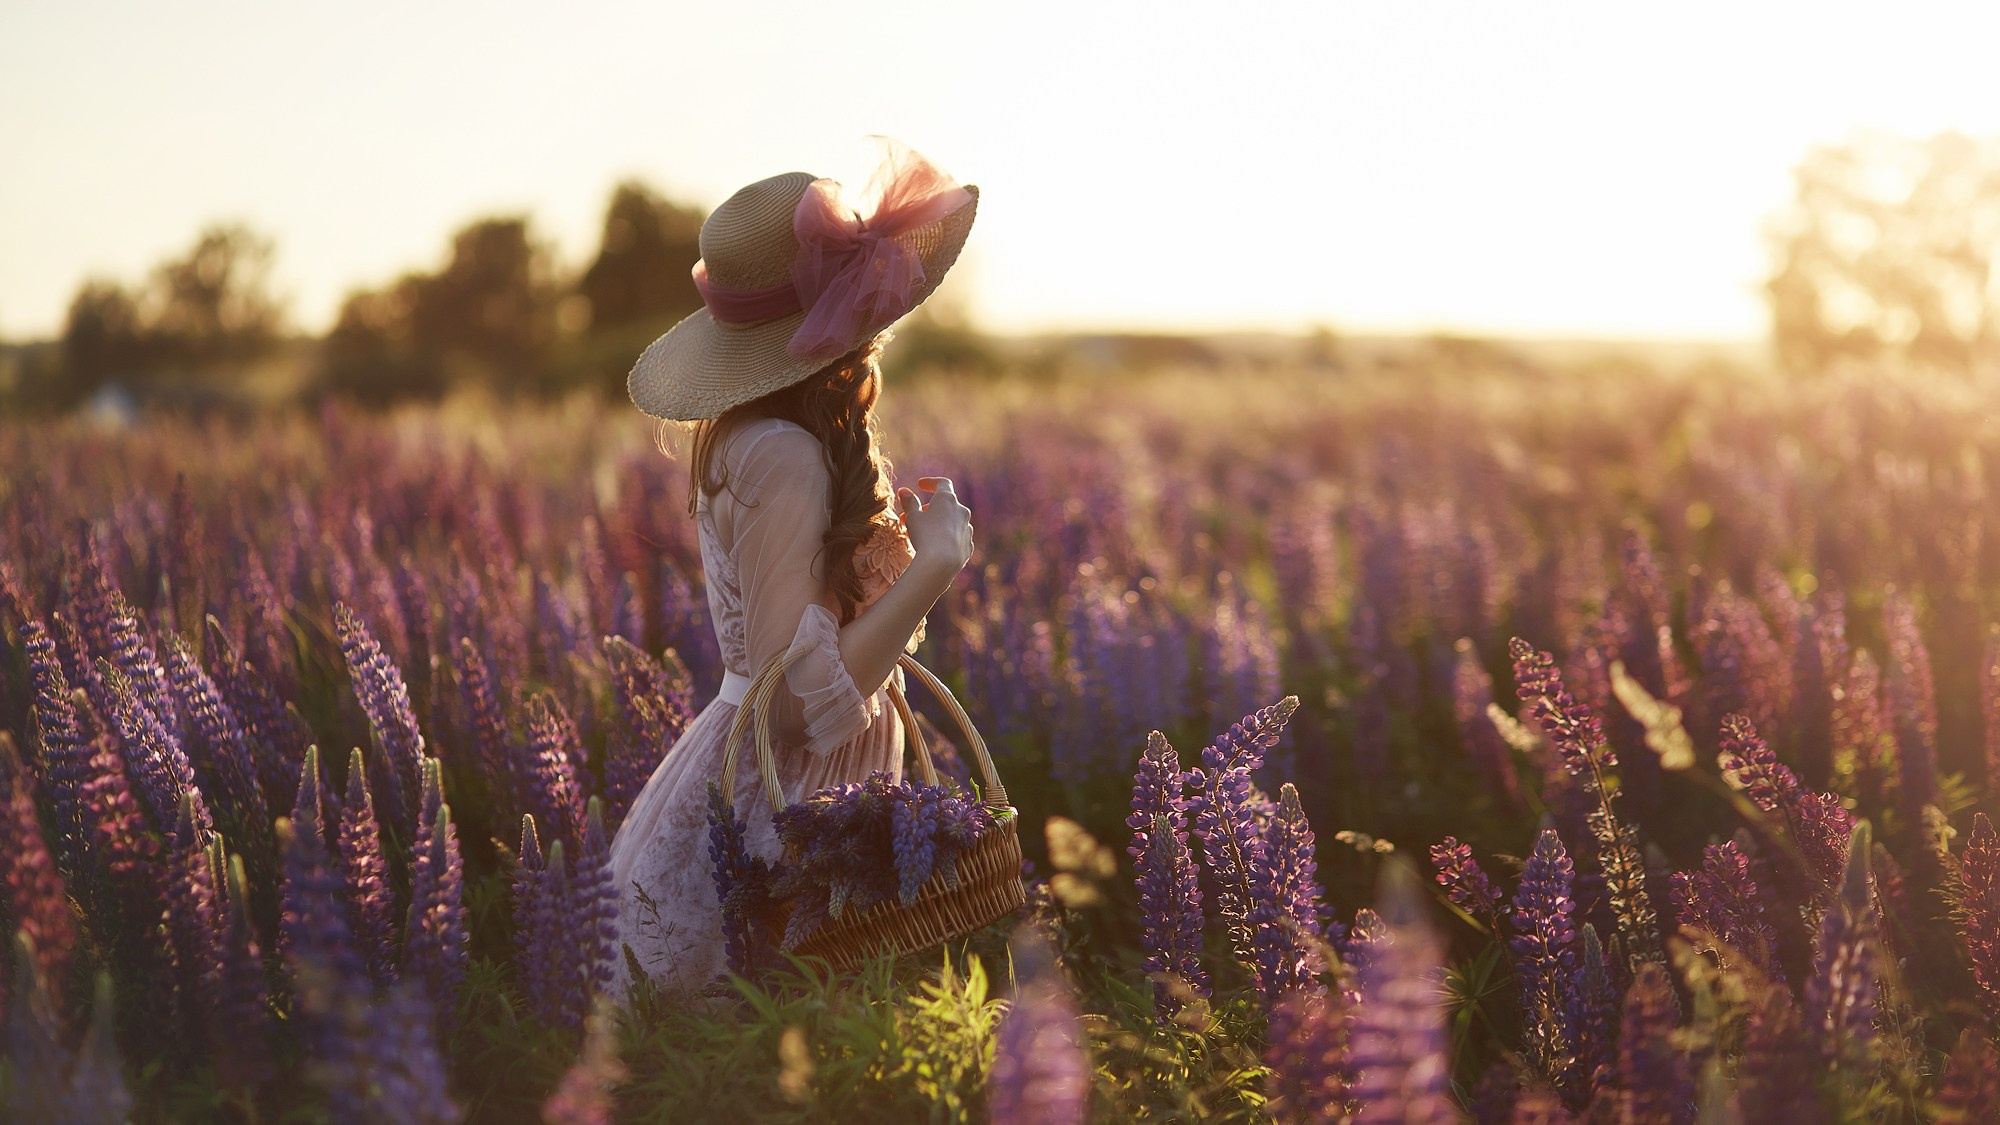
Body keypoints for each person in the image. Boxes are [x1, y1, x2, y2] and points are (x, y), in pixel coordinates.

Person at [608, 143, 978, 996]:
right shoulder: (781, 454)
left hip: (802, 787)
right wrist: (938, 564)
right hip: (783, 806)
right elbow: (793, 704)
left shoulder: (766, 439)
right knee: (771, 1033)